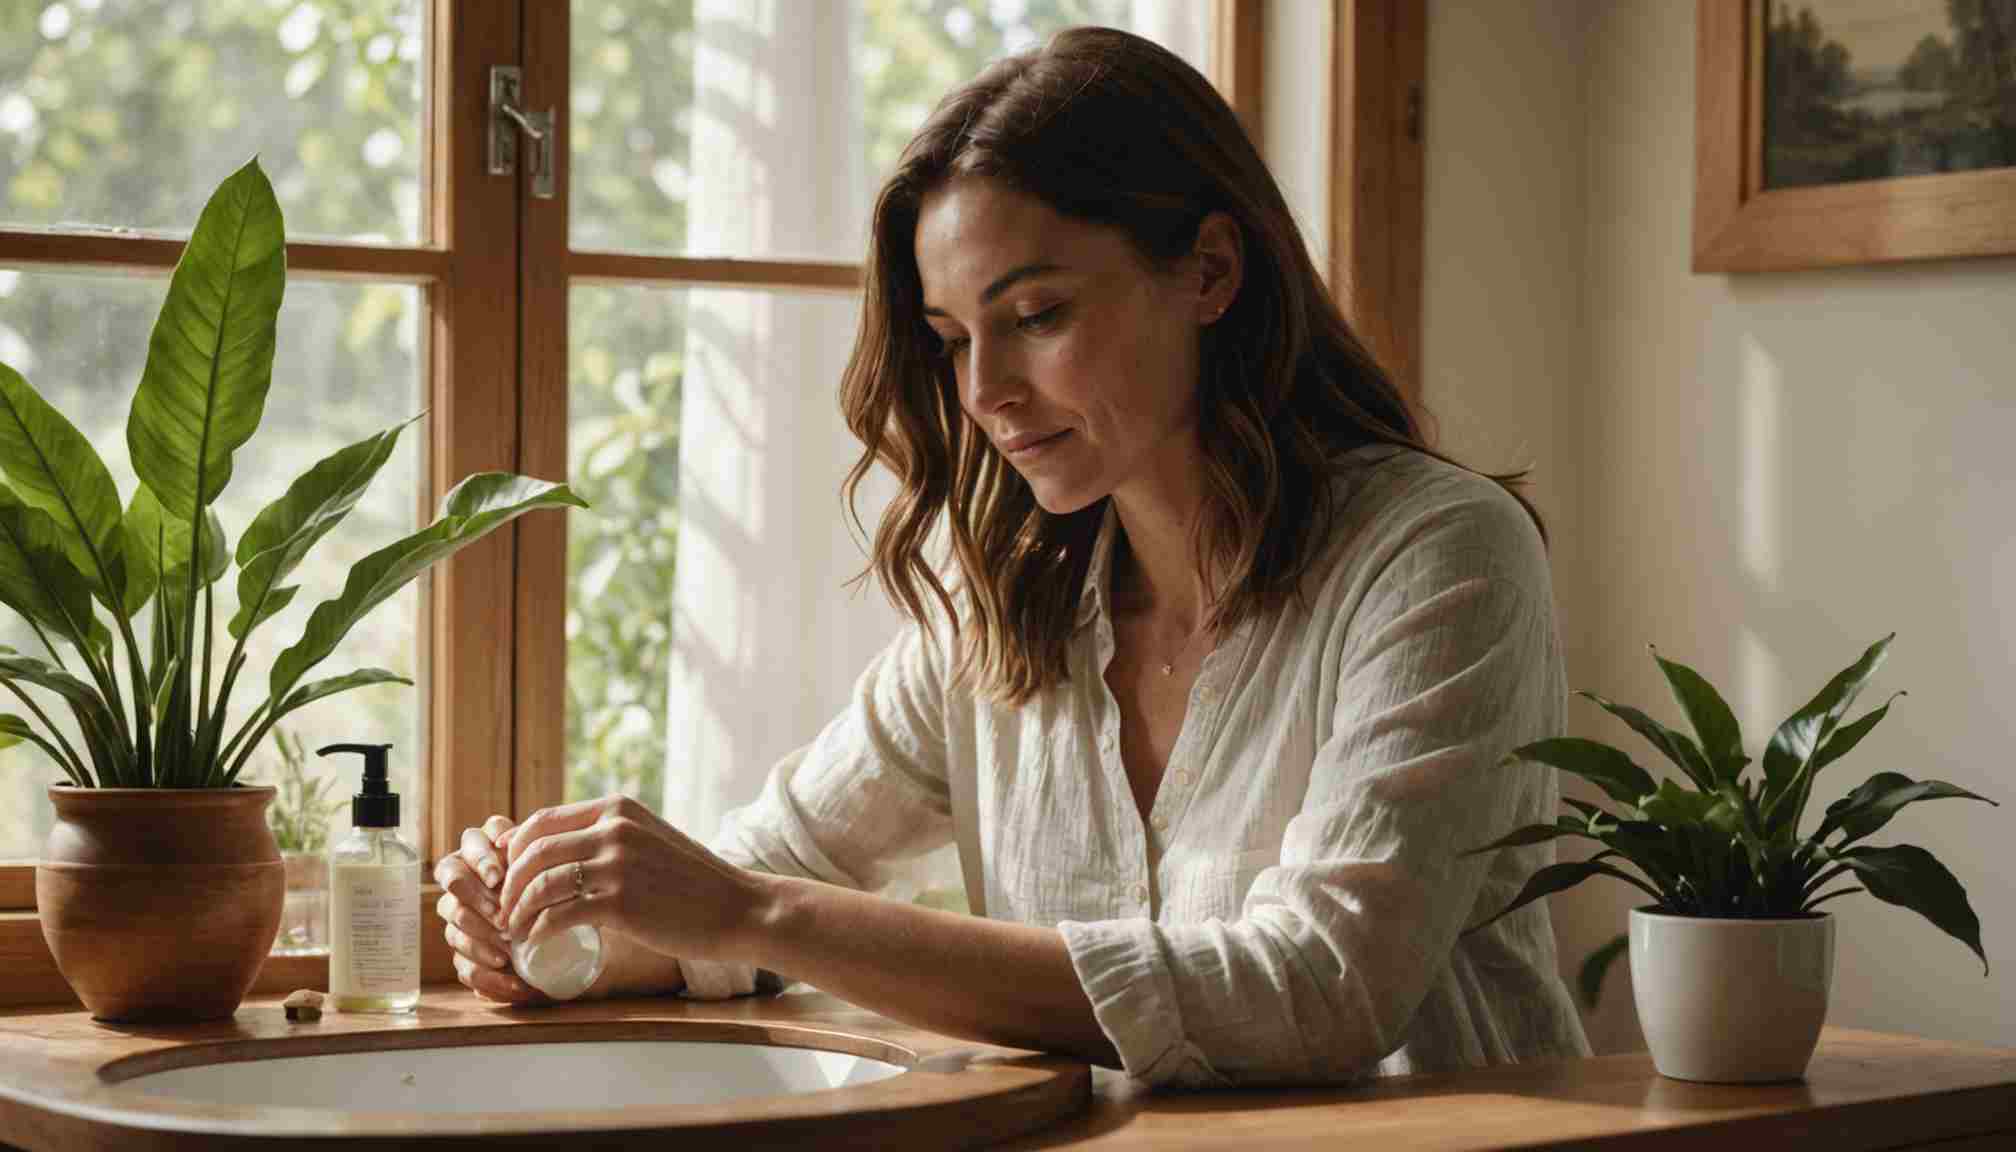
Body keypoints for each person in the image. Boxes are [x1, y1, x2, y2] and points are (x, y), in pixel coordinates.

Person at [433, 26, 1591, 1089]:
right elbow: (765, 876)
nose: (984, 392)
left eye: (1035, 315)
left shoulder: (1439, 557)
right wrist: (556, 927)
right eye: (950, 341)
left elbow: (1322, 987)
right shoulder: (1003, 610)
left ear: (1210, 272)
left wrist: (749, 914)